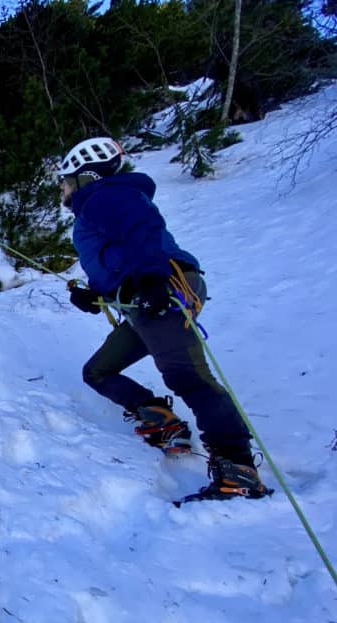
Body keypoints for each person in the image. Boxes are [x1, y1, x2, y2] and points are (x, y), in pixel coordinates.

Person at [59, 136, 269, 500]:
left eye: (65, 180)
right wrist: (95, 294)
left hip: (164, 290)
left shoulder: (105, 195)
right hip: (147, 300)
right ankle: (161, 420)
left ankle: (239, 471)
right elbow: (122, 257)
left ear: (86, 178)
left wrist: (155, 280)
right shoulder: (100, 204)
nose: (60, 188)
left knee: (189, 376)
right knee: (98, 371)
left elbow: (144, 232)